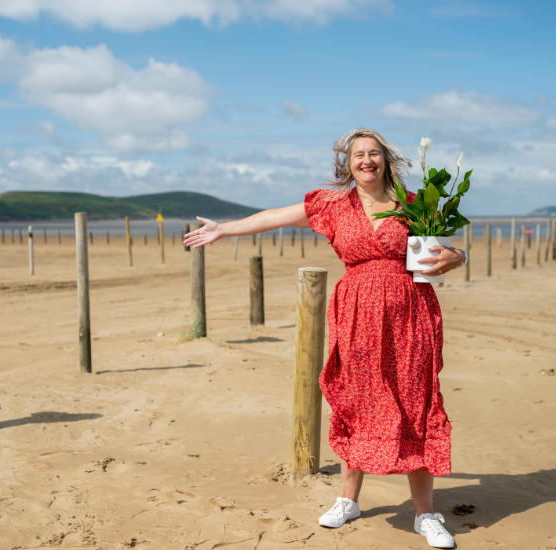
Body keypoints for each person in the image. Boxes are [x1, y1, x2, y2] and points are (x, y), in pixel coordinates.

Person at [184, 128, 467, 549]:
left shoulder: (414, 205)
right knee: (357, 399)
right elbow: (272, 217)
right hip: (356, 314)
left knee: (415, 402)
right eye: (358, 155)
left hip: (410, 315)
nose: (366, 160)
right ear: (347, 163)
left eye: (374, 154)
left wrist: (457, 257)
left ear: (386, 161)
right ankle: (347, 500)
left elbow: (447, 249)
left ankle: (425, 514)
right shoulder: (332, 204)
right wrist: (225, 229)